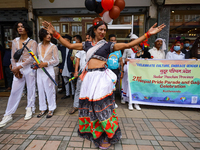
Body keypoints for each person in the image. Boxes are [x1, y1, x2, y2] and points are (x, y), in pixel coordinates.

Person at [43, 20, 165, 149]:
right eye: (100, 29)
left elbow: (129, 44)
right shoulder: (87, 44)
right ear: (94, 30)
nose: (103, 32)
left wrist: (147, 34)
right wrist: (55, 33)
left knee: (102, 107)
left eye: (105, 30)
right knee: (90, 106)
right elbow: (69, 45)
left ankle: (110, 134)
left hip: (102, 77)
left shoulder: (108, 45)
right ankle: (96, 133)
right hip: (89, 78)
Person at [0, 21, 37, 127]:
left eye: (22, 27)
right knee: (14, 91)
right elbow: (13, 56)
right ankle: (8, 114)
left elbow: (32, 57)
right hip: (17, 68)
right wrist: (15, 68)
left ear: (27, 29)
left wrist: (19, 67)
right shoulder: (15, 41)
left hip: (28, 68)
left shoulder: (32, 42)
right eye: (18, 27)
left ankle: (29, 108)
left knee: (31, 89)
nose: (20, 28)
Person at [36, 28, 59, 118]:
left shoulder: (53, 46)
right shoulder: (38, 46)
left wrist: (46, 63)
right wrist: (36, 63)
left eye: (50, 34)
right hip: (39, 70)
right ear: (42, 35)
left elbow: (56, 61)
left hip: (49, 70)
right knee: (40, 90)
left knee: (50, 90)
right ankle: (42, 108)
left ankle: (51, 109)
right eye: (47, 34)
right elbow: (36, 58)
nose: (49, 36)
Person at [69, 34, 90, 114]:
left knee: (89, 90)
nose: (87, 40)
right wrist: (76, 71)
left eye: (89, 38)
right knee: (78, 89)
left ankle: (88, 107)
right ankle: (75, 106)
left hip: (90, 73)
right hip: (81, 73)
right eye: (86, 38)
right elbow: (77, 60)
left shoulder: (93, 49)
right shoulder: (81, 48)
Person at [122, 33, 142, 111]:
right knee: (129, 85)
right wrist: (125, 60)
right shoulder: (127, 48)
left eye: (135, 40)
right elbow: (123, 58)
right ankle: (129, 101)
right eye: (132, 40)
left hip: (136, 70)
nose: (134, 42)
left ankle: (136, 102)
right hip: (128, 68)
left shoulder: (140, 49)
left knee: (136, 85)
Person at [107, 34, 123, 109]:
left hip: (115, 70)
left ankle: (113, 101)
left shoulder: (118, 50)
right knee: (107, 86)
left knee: (114, 87)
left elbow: (120, 61)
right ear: (109, 41)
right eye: (111, 40)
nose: (113, 41)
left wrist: (122, 71)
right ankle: (107, 101)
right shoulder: (107, 49)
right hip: (107, 70)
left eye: (114, 40)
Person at [59, 34, 75, 99]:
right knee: (65, 81)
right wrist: (61, 67)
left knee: (71, 81)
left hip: (70, 67)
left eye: (65, 41)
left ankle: (73, 93)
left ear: (69, 41)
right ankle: (67, 93)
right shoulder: (62, 48)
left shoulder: (73, 48)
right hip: (64, 67)